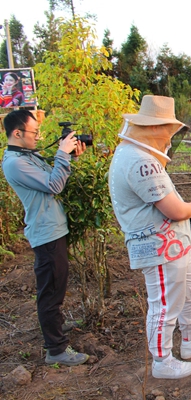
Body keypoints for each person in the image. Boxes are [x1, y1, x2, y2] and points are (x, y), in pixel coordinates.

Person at [108, 95, 191, 380]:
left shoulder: (134, 154)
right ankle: (162, 361)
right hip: (159, 246)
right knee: (164, 304)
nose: (169, 138)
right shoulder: (141, 162)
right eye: (167, 131)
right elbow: (173, 209)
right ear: (156, 128)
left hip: (174, 244)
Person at [2, 109, 89, 366]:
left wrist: (68, 157)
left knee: (57, 285)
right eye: (34, 132)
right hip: (45, 233)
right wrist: (61, 153)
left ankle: (57, 326)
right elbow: (54, 185)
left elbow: (53, 177)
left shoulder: (27, 155)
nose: (38, 137)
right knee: (50, 292)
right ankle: (56, 349)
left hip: (54, 229)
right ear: (17, 133)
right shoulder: (15, 163)